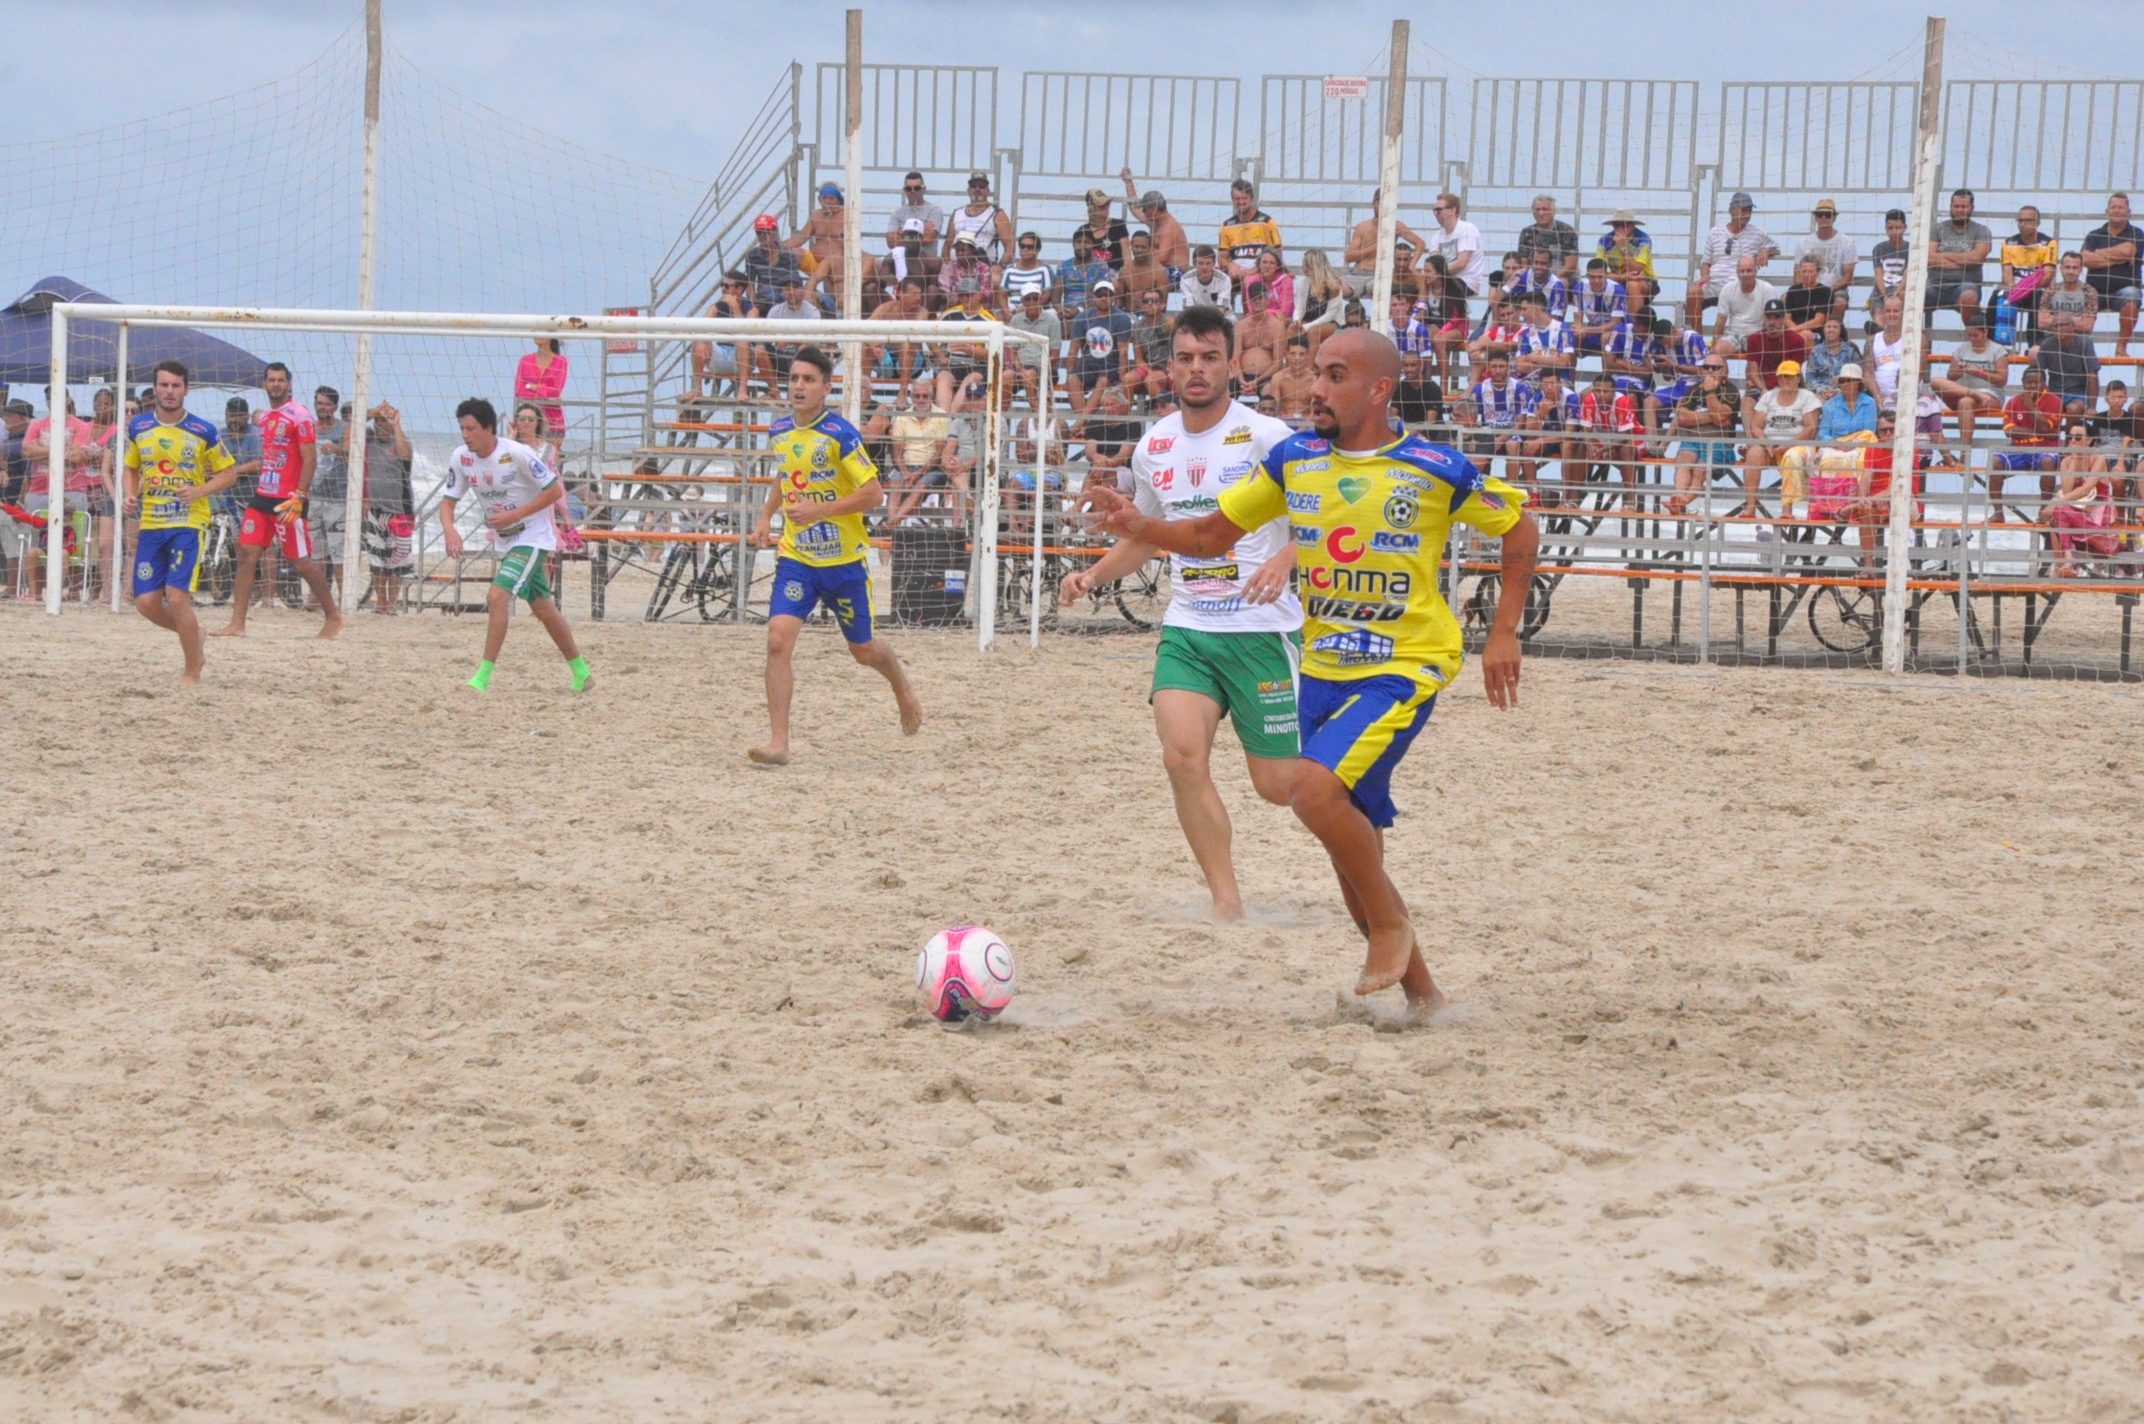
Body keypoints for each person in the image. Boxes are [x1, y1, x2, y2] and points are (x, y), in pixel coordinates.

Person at [1081, 326, 1540, 1010]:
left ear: (1378, 390)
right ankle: (1424, 995)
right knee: (1345, 838)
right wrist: (1138, 526)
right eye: (1314, 374)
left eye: (1332, 376)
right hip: (1322, 667)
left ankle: (1389, 926)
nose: (1314, 389)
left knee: (1310, 794)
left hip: (1404, 666)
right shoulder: (1294, 460)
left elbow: (1520, 530)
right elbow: (1208, 536)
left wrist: (1503, 633)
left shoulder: (1436, 467)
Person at [1060, 304, 1302, 920]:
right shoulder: (1154, 444)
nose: (1198, 369)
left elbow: (1327, 515)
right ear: (1169, 368)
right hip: (1190, 627)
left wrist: (1286, 560)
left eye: (1211, 358)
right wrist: (1092, 573)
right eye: (1187, 358)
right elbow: (1148, 534)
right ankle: (1227, 901)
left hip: (1261, 632)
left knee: (1279, 789)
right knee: (1181, 757)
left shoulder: (1269, 437)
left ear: (1232, 364)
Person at [746, 346, 921, 764]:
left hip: (843, 562)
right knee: (776, 641)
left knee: (863, 651)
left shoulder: (841, 434)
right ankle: (779, 744)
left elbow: (874, 493)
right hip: (798, 559)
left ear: (827, 387)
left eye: (809, 380)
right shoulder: (780, 432)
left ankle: (900, 682)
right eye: (794, 379)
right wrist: (766, 516)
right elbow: (786, 475)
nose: (800, 386)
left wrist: (819, 510)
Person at [440, 397, 590, 694]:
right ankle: (582, 673)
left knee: (497, 597)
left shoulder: (518, 454)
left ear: (488, 428)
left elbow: (554, 490)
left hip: (534, 536)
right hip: (507, 540)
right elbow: (448, 500)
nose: (465, 435)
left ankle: (481, 679)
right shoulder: (461, 457)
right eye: (462, 429)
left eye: (470, 429)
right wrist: (449, 529)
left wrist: (514, 514)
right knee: (544, 610)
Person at [120, 361, 239, 684]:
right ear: (155, 389)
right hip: (151, 524)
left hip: (189, 523)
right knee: (145, 603)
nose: (169, 391)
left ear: (186, 389)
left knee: (176, 597)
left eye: (176, 386)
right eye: (164, 385)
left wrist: (200, 490)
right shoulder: (138, 427)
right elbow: (131, 467)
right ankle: (194, 633)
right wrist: (130, 494)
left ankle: (191, 669)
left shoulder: (203, 430)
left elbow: (230, 474)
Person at [212, 362, 339, 639]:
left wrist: (299, 496)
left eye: (281, 380)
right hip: (262, 497)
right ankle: (237, 623)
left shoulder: (300, 416)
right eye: (271, 380)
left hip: (288, 500)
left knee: (300, 561)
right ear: (264, 383)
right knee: (245, 553)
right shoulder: (266, 418)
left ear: (289, 384)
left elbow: (310, 460)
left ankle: (333, 616)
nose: (276, 384)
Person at [1744, 359, 1822, 523]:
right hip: (1770, 445)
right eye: (1781, 377)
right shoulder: (1768, 396)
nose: (1785, 380)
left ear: (1798, 378)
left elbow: (1810, 428)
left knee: (1791, 456)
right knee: (1754, 453)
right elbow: (1756, 425)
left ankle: (1787, 508)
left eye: (1789, 376)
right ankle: (1750, 507)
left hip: (1798, 445)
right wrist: (1764, 442)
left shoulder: (1807, 397)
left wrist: (1787, 445)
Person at [1665, 354, 1741, 516]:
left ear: (1724, 371)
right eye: (1707, 367)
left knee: (1700, 468)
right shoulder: (1693, 389)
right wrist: (1714, 418)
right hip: (1693, 440)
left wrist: (1710, 392)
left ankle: (1685, 500)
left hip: (1720, 443)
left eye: (1716, 367)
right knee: (1684, 458)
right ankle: (1679, 496)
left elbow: (1721, 417)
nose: (1710, 370)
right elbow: (1683, 418)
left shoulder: (1731, 389)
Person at [360, 401, 415, 614]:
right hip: (376, 510)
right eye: (378, 420)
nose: (381, 424)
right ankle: (380, 602)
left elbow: (405, 455)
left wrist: (395, 424)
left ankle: (392, 604)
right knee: (377, 558)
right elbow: (353, 421)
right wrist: (374, 412)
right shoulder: (370, 440)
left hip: (400, 511)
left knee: (397, 561)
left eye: (384, 420)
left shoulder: (399, 440)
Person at [2045, 421, 2119, 573]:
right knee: (2060, 513)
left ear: (2089, 440)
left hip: (2097, 508)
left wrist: (2056, 502)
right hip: (2074, 508)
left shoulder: (2099, 459)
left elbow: (2087, 489)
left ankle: (2065, 564)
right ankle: (2067, 561)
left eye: (2078, 438)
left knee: (2059, 512)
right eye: (2070, 437)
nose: (2072, 441)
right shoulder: (2066, 462)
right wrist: (2073, 460)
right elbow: (2066, 490)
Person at [1692, 192, 1779, 316]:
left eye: (1749, 211)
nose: (1747, 214)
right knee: (1692, 291)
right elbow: (1706, 262)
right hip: (1714, 284)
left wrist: (1764, 251)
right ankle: (1697, 334)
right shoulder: (1715, 232)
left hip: (1740, 285)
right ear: (1732, 210)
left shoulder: (1757, 232)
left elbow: (1776, 248)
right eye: (1743, 210)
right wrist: (1704, 278)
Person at [2080, 193, 2143, 357]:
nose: (2117, 211)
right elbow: (2084, 259)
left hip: (2123, 291)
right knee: (2075, 297)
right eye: (2113, 207)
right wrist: (2118, 258)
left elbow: (2127, 251)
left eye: (2121, 207)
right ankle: (2078, 349)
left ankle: (2121, 348)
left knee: (2133, 296)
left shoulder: (2136, 233)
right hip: (2094, 291)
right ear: (2106, 210)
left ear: (2128, 211)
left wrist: (2098, 253)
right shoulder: (2094, 234)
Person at [1993, 366, 2062, 516]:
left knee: (2048, 462)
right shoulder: (2013, 402)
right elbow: (2009, 431)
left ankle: (2044, 511)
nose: (2032, 386)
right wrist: (2043, 432)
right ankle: (1998, 513)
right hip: (2018, 449)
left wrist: (2030, 407)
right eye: (2028, 382)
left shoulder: (2054, 401)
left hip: (2044, 449)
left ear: (2044, 383)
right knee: (1995, 461)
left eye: (2036, 382)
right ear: (2023, 383)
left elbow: (2047, 426)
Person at [1932, 315, 2008, 446]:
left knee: (1965, 402)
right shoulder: (1962, 349)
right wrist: (1961, 370)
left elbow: (2002, 380)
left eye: (1975, 335)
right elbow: (1950, 375)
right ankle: (1972, 393)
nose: (1971, 339)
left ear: (1985, 332)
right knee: (1935, 381)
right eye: (1969, 335)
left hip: (1990, 395)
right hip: (1960, 392)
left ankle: (1964, 453)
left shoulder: (1998, 350)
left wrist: (1979, 373)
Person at [1926, 189, 1992, 325]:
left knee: (1969, 297)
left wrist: (1943, 255)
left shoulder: (1981, 231)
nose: (1960, 210)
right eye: (1956, 206)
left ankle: (1973, 337)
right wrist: (1964, 262)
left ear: (1972, 208)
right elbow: (1929, 259)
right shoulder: (1937, 229)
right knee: (1905, 296)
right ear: (1950, 207)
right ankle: (1907, 341)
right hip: (1934, 285)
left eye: (1964, 206)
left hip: (1965, 285)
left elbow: (1976, 258)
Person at [1067, 279, 1133, 413]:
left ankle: (1080, 425)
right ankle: (1082, 425)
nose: (1104, 298)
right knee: (1072, 380)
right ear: (1094, 297)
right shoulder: (1082, 318)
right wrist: (1069, 374)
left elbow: (1123, 352)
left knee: (1103, 381)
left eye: (1108, 294)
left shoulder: (1122, 318)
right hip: (1089, 366)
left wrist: (1121, 380)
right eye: (1100, 295)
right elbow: (1074, 348)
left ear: (1113, 297)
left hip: (1110, 366)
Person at [1343, 190, 1428, 291]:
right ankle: (1355, 303)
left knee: (1381, 290)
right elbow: (1349, 257)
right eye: (1381, 203)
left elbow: (1420, 244)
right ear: (1374, 203)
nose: (1384, 208)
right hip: (1358, 274)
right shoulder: (1362, 227)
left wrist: (1412, 265)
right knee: (1335, 287)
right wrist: (1375, 247)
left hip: (1380, 275)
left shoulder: (1396, 226)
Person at [935, 277, 995, 411]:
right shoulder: (950, 314)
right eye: (962, 295)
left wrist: (966, 349)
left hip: (977, 365)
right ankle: (944, 419)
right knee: (943, 377)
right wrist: (941, 356)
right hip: (953, 362)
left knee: (971, 378)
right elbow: (928, 335)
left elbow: (990, 354)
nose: (965, 298)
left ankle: (951, 418)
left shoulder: (988, 320)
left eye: (969, 295)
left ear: (979, 295)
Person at [1794, 199, 1857, 312]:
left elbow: (1848, 277)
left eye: (1828, 214)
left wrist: (1826, 290)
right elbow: (1798, 273)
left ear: (1834, 218)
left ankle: (1836, 329)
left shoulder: (1847, 242)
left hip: (1835, 290)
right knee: (1784, 299)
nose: (1824, 217)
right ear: (1816, 218)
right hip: (1808, 288)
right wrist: (1807, 290)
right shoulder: (1803, 242)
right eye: (1820, 214)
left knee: (1840, 302)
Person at [1121, 173, 1191, 273]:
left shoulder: (1169, 227)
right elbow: (1135, 209)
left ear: (1153, 209)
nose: (1143, 211)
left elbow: (1162, 258)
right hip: (1156, 268)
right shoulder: (1155, 222)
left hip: (1174, 272)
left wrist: (1136, 266)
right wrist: (1128, 182)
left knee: (1135, 275)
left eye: (1144, 208)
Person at [1219, 179, 1282, 288]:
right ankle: (1222, 305)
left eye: (1244, 198)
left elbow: (1277, 254)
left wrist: (1254, 271)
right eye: (1237, 198)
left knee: (1248, 281)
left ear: (1251, 199)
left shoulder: (1267, 222)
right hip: (1235, 274)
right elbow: (1221, 258)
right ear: (1232, 200)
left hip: (1261, 274)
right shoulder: (1227, 226)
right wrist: (1231, 266)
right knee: (1213, 278)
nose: (1241, 202)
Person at [1006, 286, 1060, 412]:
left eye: (1035, 298)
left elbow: (1055, 354)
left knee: (1030, 375)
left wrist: (1038, 367)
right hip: (1021, 366)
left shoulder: (1052, 320)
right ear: (1023, 301)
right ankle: (1001, 420)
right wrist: (1020, 369)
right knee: (1006, 375)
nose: (1031, 302)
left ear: (1040, 300)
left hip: (1046, 368)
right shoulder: (1016, 319)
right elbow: (1012, 352)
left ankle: (1035, 414)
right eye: (1028, 299)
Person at [1712, 255, 1779, 354]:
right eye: (1742, 271)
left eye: (1749, 271)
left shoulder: (1767, 289)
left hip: (1757, 334)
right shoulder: (1727, 289)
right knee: (1716, 352)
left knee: (1756, 357)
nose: (1745, 274)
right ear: (1737, 272)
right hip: (1733, 335)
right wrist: (1715, 346)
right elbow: (1720, 322)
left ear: (1755, 272)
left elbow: (1772, 320)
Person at [1425, 192, 1488, 297]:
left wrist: (1436, 273)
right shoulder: (1437, 236)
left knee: (1441, 289)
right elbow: (1433, 263)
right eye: (1435, 210)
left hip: (1467, 280)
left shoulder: (1467, 229)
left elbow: (1461, 263)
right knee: (1419, 286)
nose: (1436, 213)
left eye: (1439, 210)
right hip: (1445, 278)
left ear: (1453, 210)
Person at [945, 172, 1012, 268]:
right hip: (956, 268)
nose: (977, 189)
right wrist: (947, 265)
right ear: (968, 190)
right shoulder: (957, 213)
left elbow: (1009, 244)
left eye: (982, 186)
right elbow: (948, 244)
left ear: (988, 191)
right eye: (973, 186)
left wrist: (1001, 266)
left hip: (985, 268)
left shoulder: (997, 214)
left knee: (996, 280)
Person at [1235, 281, 1287, 396]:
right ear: (1249, 301)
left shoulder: (1277, 326)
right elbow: (1235, 359)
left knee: (1269, 389)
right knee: (1222, 389)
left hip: (1266, 377)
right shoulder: (1241, 326)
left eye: (1260, 297)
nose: (1257, 301)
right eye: (1254, 298)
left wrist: (1256, 382)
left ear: (1267, 300)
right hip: (1241, 377)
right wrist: (1241, 380)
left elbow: (1277, 363)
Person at [1515, 195, 1579, 281]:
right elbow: (1524, 265)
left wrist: (1550, 280)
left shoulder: (1566, 231)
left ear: (1553, 211)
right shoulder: (1527, 232)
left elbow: (1571, 266)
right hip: (1534, 279)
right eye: (1537, 210)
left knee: (1561, 284)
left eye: (1545, 209)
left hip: (1563, 278)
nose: (1541, 213)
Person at [515, 337, 569, 439]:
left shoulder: (561, 361)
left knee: (550, 453)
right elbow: (519, 391)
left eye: (540, 329)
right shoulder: (525, 361)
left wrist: (533, 387)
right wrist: (545, 394)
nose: (536, 334)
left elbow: (556, 391)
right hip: (527, 419)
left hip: (553, 420)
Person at [1867, 208, 1911, 332]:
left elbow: (1907, 275)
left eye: (1898, 228)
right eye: (1890, 228)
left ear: (1905, 227)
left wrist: (1896, 294)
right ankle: (1879, 332)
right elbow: (1878, 274)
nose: (1894, 232)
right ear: (1886, 229)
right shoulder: (1878, 249)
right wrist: (1885, 296)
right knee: (1879, 311)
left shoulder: (1910, 249)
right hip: (1881, 291)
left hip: (1901, 290)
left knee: (1898, 309)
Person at [1801, 315, 1863, 400]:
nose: (1831, 329)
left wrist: (1837, 391)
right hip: (1819, 393)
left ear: (1840, 331)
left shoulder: (1850, 352)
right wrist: (1820, 391)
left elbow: (1857, 377)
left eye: (1835, 327)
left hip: (1844, 393)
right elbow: (1810, 376)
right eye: (1828, 327)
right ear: (1824, 330)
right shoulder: (1815, 351)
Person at [1058, 230, 1113, 320]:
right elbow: (1056, 295)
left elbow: (1103, 295)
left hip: (1093, 311)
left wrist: (1079, 310)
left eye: (1086, 242)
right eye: (1079, 242)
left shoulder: (1101, 266)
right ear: (1073, 244)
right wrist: (1060, 310)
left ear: (1093, 245)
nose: (1082, 245)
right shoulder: (1064, 266)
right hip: (1066, 311)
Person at [1073, 186, 1130, 269]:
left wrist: (1127, 274)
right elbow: (1080, 256)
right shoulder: (1084, 230)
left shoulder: (1118, 225)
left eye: (1107, 204)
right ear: (1091, 208)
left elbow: (1126, 253)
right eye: (1102, 206)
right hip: (1093, 275)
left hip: (1116, 274)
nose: (1106, 208)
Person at [1118, 230, 1174, 310]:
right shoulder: (1125, 270)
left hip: (1151, 317)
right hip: (1129, 316)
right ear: (1131, 246)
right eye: (1136, 246)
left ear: (1150, 248)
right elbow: (1119, 300)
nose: (1139, 250)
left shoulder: (1159, 272)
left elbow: (1162, 304)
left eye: (1143, 247)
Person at [1596, 209, 1655, 285]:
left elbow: (1636, 271)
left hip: (1644, 279)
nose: (1620, 228)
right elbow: (1598, 271)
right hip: (1616, 280)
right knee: (1596, 283)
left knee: (1632, 285)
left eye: (1624, 225)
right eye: (1616, 225)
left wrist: (1623, 247)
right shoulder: (1604, 241)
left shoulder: (1643, 240)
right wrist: (1622, 277)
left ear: (1633, 225)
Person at [1000, 232, 1056, 308]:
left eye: (1030, 247)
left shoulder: (1045, 269)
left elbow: (1047, 295)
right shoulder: (1009, 270)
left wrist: (1026, 310)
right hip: (1012, 310)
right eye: (1022, 246)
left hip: (1037, 311)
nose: (1025, 249)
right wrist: (1007, 313)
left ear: (1037, 249)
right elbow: (1002, 296)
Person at [1781, 258, 1834, 337]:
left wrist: (1796, 330)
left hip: (1815, 332)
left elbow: (1818, 321)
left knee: (1806, 337)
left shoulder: (1825, 291)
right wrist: (1797, 331)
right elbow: (1787, 318)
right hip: (1794, 331)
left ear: (1817, 272)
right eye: (1804, 271)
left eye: (1810, 272)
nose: (1806, 275)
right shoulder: (1793, 290)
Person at [1270, 335, 1316, 421]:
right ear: (1286, 354)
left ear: (1307, 355)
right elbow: (1275, 408)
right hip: (1283, 421)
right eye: (1293, 354)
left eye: (1301, 354)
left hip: (1307, 422)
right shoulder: (1278, 378)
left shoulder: (1314, 380)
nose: (1297, 358)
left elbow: (1314, 411)